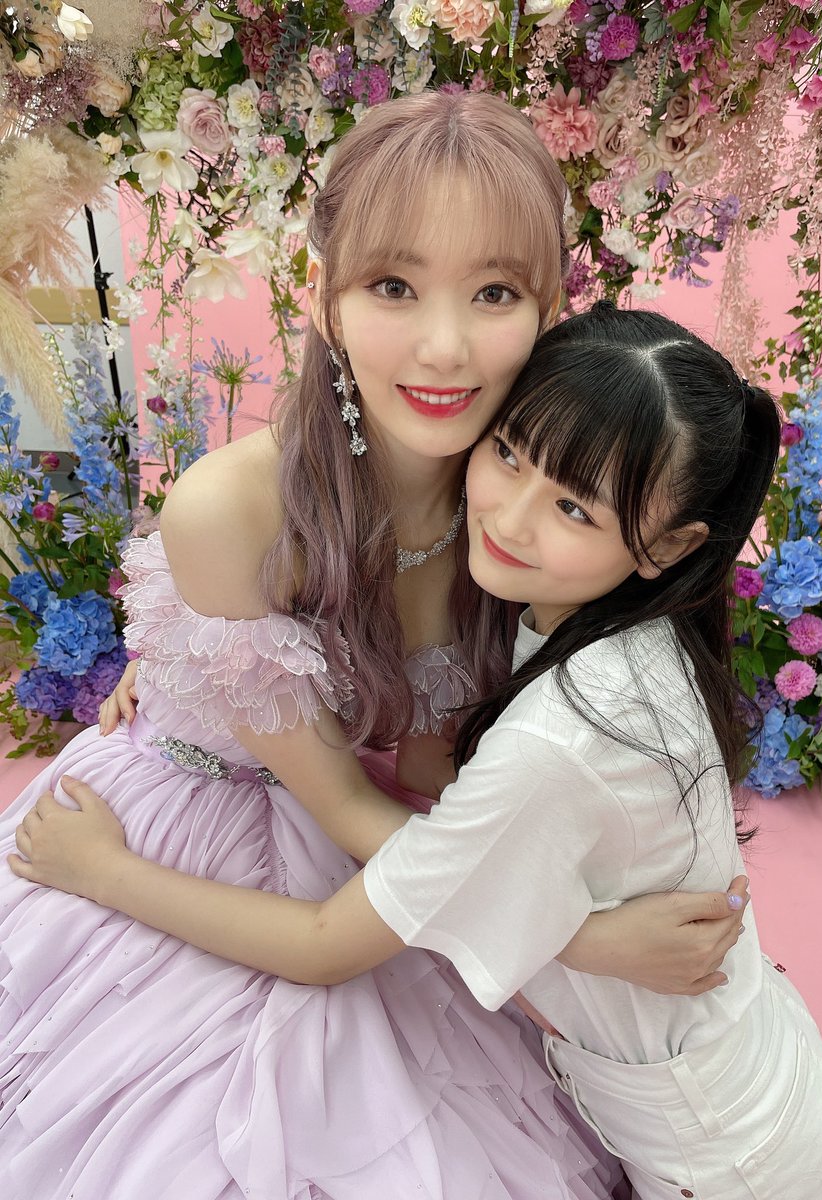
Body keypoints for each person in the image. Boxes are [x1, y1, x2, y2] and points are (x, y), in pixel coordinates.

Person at [2, 94, 746, 1200]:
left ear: (551, 307)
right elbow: (347, 814)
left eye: (493, 293)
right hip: (206, 832)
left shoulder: (521, 511)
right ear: (324, 297)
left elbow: (447, 772)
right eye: (393, 286)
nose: (445, 346)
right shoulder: (232, 512)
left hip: (394, 854)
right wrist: (583, 938)